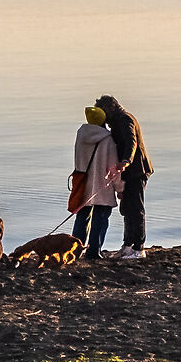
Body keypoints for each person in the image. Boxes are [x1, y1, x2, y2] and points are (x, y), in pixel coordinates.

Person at [95, 94, 155, 261]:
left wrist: (126, 161)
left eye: (104, 112)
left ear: (111, 108)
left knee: (136, 209)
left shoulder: (125, 119)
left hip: (137, 170)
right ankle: (127, 245)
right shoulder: (116, 122)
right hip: (129, 172)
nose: (104, 118)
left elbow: (131, 142)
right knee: (127, 208)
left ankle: (138, 248)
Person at [72, 105, 122, 258]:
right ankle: (94, 251)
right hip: (102, 185)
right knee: (101, 218)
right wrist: (119, 187)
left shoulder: (81, 135)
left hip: (83, 182)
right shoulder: (107, 139)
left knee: (82, 217)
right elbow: (113, 167)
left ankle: (75, 250)